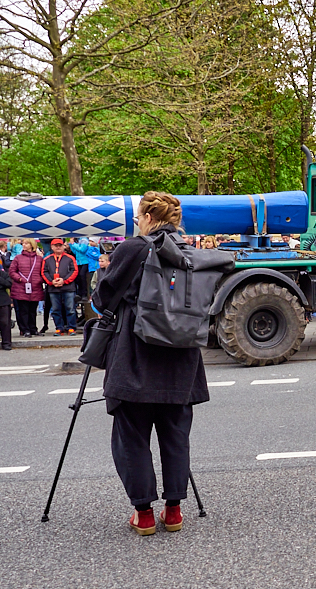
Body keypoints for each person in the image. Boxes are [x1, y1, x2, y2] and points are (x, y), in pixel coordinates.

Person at [93, 191, 208, 536]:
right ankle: (173, 511)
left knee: (131, 437)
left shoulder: (133, 248)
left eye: (138, 217)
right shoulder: (189, 250)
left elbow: (103, 299)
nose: (136, 223)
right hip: (181, 357)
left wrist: (104, 277)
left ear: (148, 217)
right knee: (175, 435)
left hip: (135, 354)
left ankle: (143, 514)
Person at [41, 239, 79, 335]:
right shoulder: (46, 259)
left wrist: (64, 280)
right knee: (55, 309)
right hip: (53, 288)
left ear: (63, 246)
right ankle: (59, 328)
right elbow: (43, 272)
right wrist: (51, 282)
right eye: (56, 245)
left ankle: (71, 327)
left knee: (70, 308)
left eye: (60, 245)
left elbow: (74, 271)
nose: (58, 247)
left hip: (68, 287)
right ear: (52, 247)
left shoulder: (70, 258)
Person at [9, 239, 45, 338]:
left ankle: (33, 328)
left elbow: (43, 271)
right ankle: (25, 329)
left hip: (35, 287)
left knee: (33, 310)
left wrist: (40, 280)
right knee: (23, 310)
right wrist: (19, 279)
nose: (24, 245)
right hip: (21, 287)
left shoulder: (39, 259)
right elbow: (12, 271)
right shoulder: (18, 258)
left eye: (26, 243)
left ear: (32, 245)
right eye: (23, 243)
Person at [70, 237, 101, 302]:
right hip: (79, 262)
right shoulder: (78, 241)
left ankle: (84, 294)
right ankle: (80, 293)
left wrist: (73, 244)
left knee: (82, 275)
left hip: (85, 261)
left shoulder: (84, 240)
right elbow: (75, 252)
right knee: (78, 276)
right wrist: (71, 244)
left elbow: (82, 250)